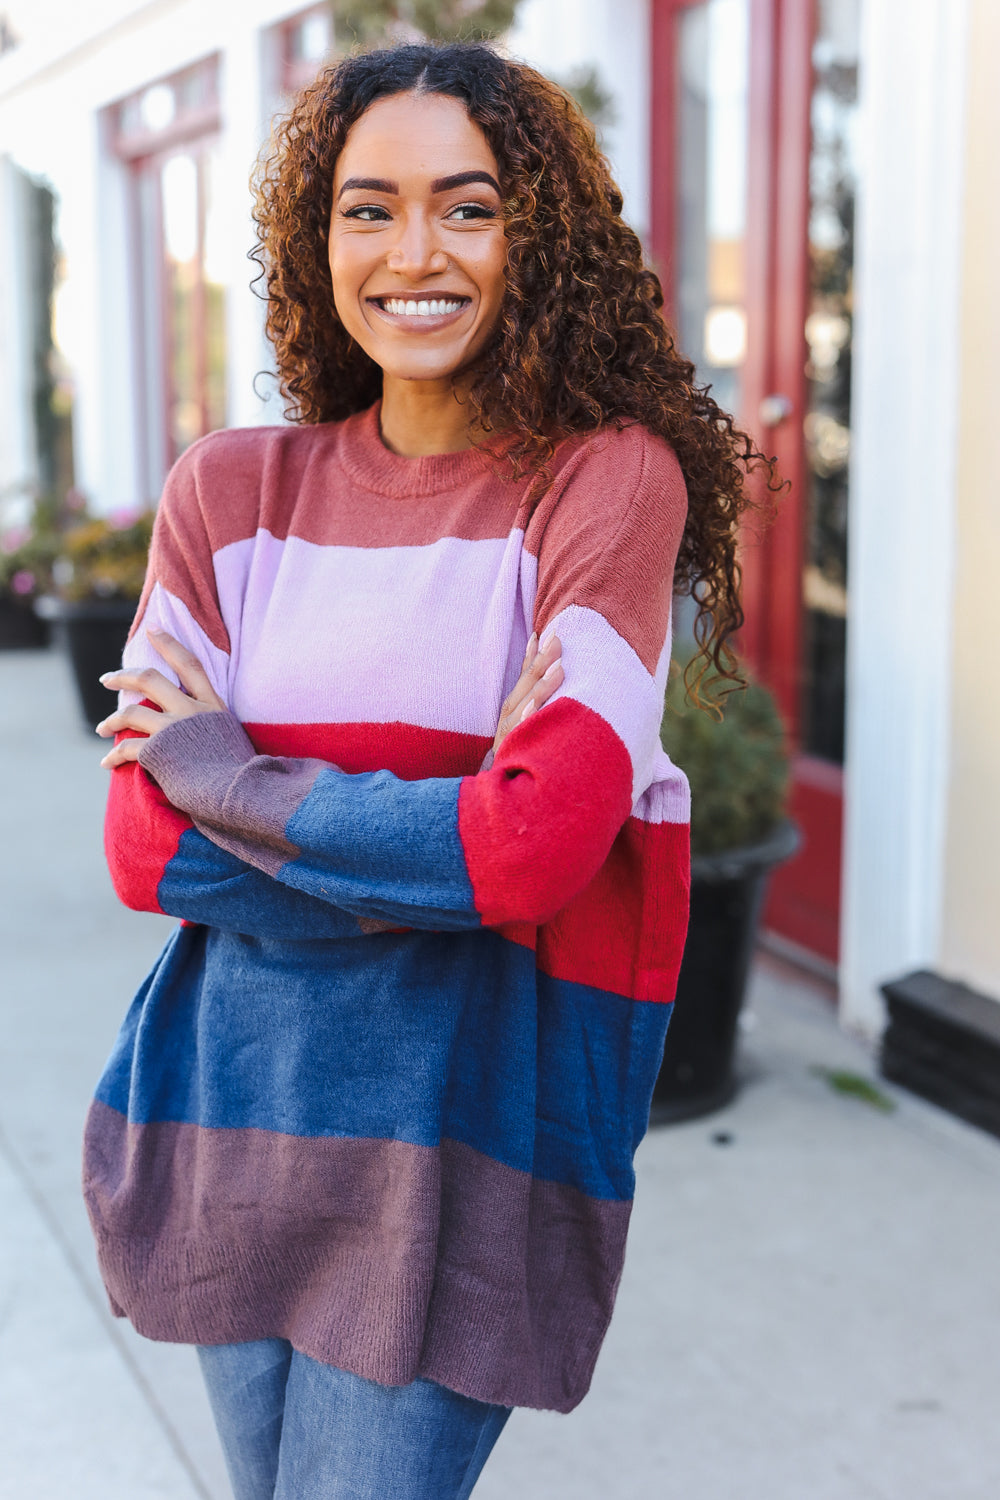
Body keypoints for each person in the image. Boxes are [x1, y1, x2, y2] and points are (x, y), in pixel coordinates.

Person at [86, 41, 771, 1500]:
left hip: (459, 1138)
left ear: (541, 233)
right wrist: (447, 835)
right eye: (367, 207)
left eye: (467, 206)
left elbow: (537, 853)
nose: (414, 253)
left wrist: (222, 767)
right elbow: (143, 853)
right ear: (314, 236)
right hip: (237, 1104)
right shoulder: (230, 492)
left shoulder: (601, 485)